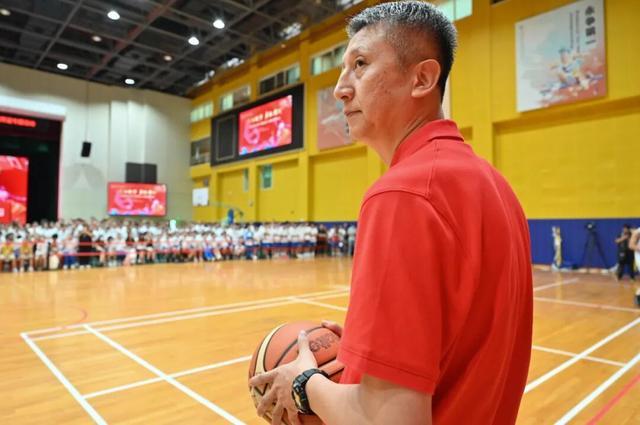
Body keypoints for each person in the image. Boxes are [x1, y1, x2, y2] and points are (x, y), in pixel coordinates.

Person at [249, 2, 532, 424]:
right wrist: (375, 348)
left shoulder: (402, 193)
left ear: (422, 79)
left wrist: (303, 384)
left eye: (360, 64)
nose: (340, 89)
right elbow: (460, 346)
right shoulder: (497, 186)